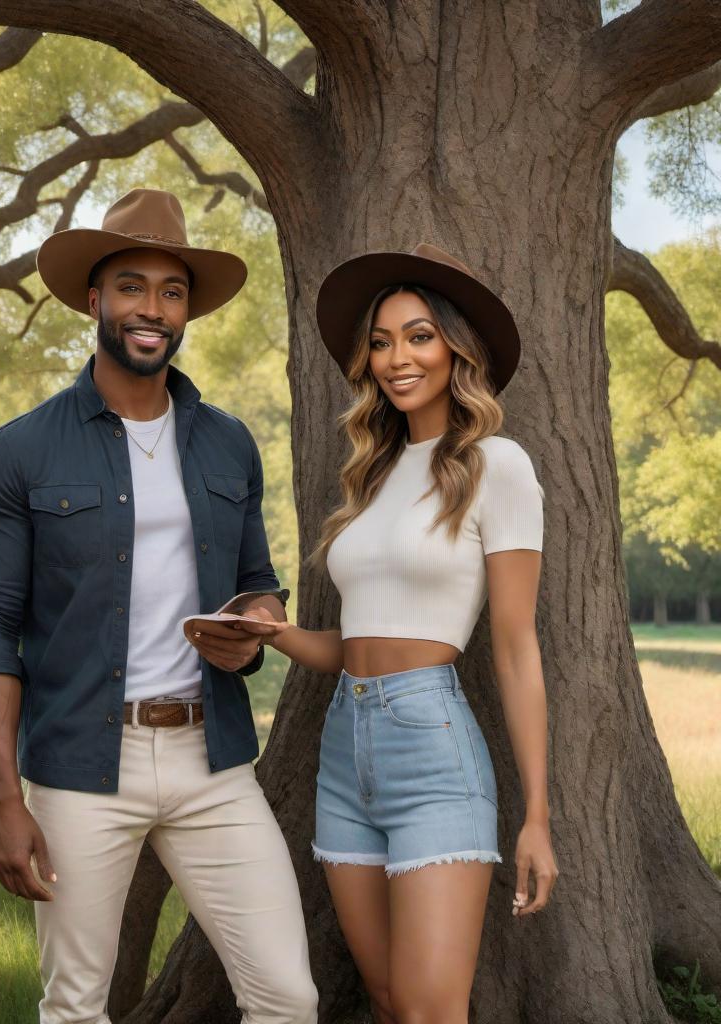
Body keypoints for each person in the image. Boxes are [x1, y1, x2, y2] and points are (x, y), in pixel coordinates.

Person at [0, 188, 317, 1024]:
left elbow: (260, 581)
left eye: (172, 291)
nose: (152, 309)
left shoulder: (227, 442)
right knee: (76, 1005)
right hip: (81, 764)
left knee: (288, 997)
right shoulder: (18, 453)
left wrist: (254, 633)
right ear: (94, 299)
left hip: (212, 762)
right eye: (132, 286)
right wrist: (5, 800)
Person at [233, 245, 559, 1023]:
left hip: (433, 749)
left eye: (418, 336)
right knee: (386, 999)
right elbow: (355, 646)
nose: (396, 358)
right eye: (380, 342)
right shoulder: (371, 476)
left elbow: (515, 649)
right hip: (345, 749)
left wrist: (538, 817)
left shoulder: (496, 466)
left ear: (456, 347)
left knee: (427, 1011)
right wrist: (274, 634)